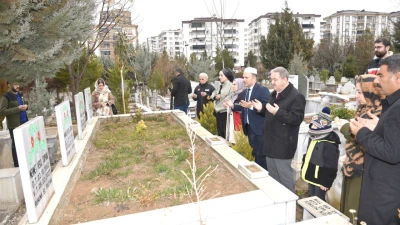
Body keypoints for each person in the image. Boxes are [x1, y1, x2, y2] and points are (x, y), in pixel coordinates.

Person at [350, 54, 400, 225]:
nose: (377, 82)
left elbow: (392, 153)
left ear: (398, 77)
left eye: (381, 76)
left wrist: (362, 132)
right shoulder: (394, 104)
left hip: (385, 194)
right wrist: (377, 127)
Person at [339, 75, 384, 219]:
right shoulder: (363, 109)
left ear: (370, 91)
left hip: (364, 171)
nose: (356, 96)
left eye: (360, 92)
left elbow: (369, 143)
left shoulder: (377, 113)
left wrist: (346, 128)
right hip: (352, 166)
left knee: (354, 210)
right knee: (347, 207)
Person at [256, 67, 306, 192]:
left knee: (285, 179)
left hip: (283, 145)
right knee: (273, 179)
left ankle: (290, 207)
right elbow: (270, 114)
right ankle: (279, 204)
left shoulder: (296, 96)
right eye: (271, 79)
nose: (272, 82)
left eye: (275, 79)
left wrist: (278, 112)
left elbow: (296, 118)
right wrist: (261, 109)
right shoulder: (274, 94)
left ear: (285, 79)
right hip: (270, 143)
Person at [232, 67, 270, 170]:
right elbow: (244, 106)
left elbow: (267, 108)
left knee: (261, 156)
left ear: (254, 78)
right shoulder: (245, 92)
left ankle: (264, 177)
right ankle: (257, 173)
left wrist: (252, 107)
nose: (244, 79)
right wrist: (233, 106)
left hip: (260, 130)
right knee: (255, 153)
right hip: (249, 129)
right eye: (243, 77)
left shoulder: (262, 90)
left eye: (246, 77)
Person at [301, 107, 340, 201]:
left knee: (319, 200)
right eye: (312, 124)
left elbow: (331, 165)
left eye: (315, 125)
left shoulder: (329, 144)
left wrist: (326, 182)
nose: (312, 127)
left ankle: (319, 216)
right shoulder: (314, 137)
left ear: (323, 126)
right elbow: (308, 154)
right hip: (311, 174)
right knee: (311, 196)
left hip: (321, 179)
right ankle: (309, 215)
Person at [0, 80, 28, 167]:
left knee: (25, 142)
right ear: (9, 85)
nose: (17, 86)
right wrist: (17, 109)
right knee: (16, 145)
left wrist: (26, 106)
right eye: (15, 84)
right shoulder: (6, 96)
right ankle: (17, 164)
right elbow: (2, 110)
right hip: (14, 124)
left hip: (24, 122)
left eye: (18, 84)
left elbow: (23, 105)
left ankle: (26, 161)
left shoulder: (19, 94)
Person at [211, 68, 233, 138]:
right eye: (219, 75)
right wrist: (215, 97)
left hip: (225, 111)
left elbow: (231, 97)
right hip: (218, 111)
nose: (219, 77)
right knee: (219, 132)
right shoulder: (219, 85)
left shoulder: (231, 85)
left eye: (221, 75)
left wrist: (221, 96)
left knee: (225, 132)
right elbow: (213, 94)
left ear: (227, 76)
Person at [223, 78, 245, 144]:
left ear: (240, 85)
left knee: (238, 140)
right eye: (232, 84)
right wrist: (228, 106)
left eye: (235, 84)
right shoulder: (234, 94)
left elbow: (243, 107)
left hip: (239, 121)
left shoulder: (243, 94)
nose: (233, 86)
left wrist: (232, 106)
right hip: (233, 120)